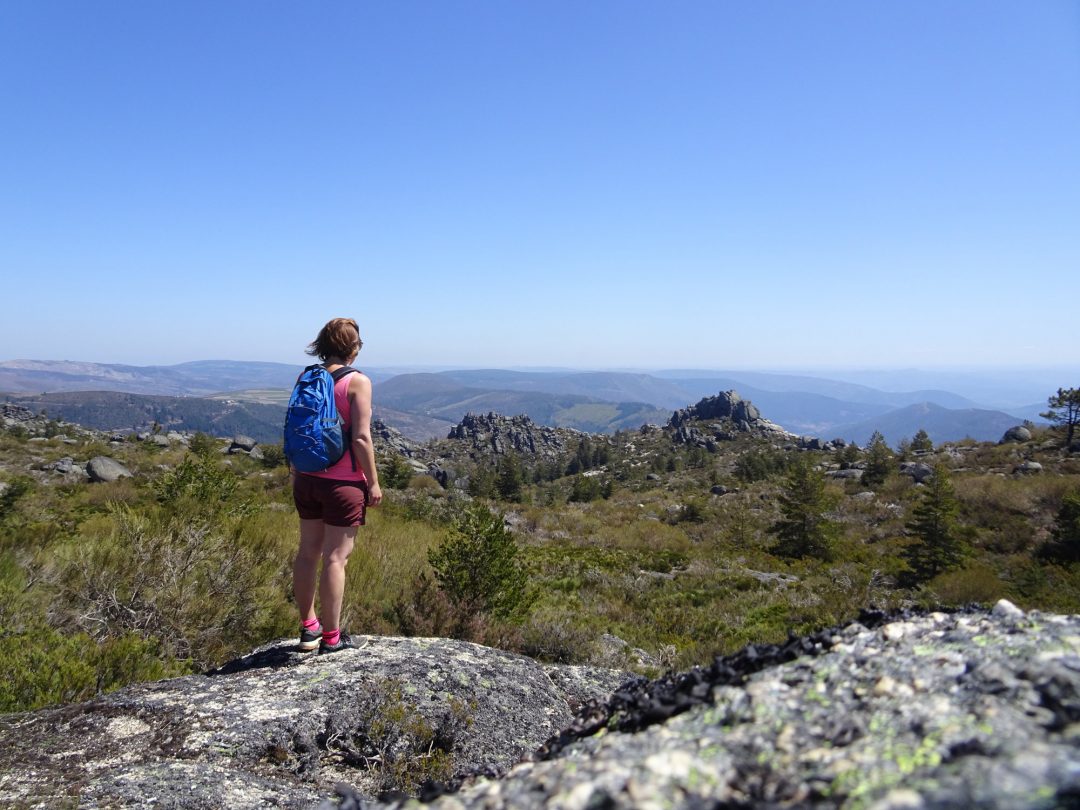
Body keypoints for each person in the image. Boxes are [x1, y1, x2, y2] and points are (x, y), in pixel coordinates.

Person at [291, 317, 382, 654]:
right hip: (342, 484)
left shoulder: (306, 377)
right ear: (353, 348)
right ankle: (332, 638)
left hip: (306, 478)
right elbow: (360, 437)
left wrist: (295, 470)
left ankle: (308, 628)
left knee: (307, 553)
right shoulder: (358, 382)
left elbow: (297, 426)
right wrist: (372, 482)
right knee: (335, 559)